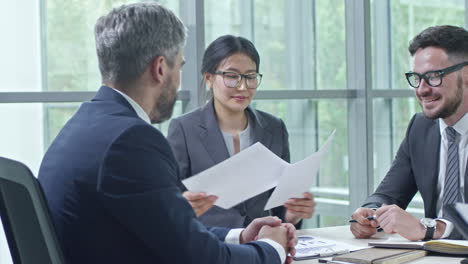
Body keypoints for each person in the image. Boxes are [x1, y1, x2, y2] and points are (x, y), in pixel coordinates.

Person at [38, 3, 297, 264]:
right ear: (160, 68)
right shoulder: (131, 140)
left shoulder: (83, 126)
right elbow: (202, 259)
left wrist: (239, 236)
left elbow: (170, 231)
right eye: (180, 67)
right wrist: (272, 248)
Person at [167, 35, 315, 229]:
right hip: (209, 248)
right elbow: (170, 205)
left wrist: (292, 214)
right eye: (231, 76)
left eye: (250, 77)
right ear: (209, 78)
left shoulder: (274, 128)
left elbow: (280, 209)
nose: (243, 86)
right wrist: (181, 206)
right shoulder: (184, 129)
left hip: (262, 248)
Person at [350, 25, 468, 241]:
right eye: (416, 77)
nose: (422, 89)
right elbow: (389, 193)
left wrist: (433, 229)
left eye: (434, 76)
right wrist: (370, 213)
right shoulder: (420, 128)